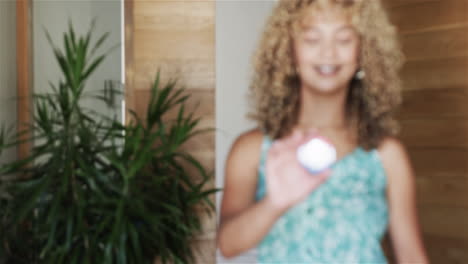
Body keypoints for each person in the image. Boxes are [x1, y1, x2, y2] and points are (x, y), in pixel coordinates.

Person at [216, 0, 430, 263]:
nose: (328, 53)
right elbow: (227, 244)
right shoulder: (252, 149)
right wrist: (275, 202)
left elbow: (411, 255)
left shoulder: (386, 154)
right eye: (312, 39)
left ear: (364, 52)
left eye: (343, 39)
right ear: (289, 52)